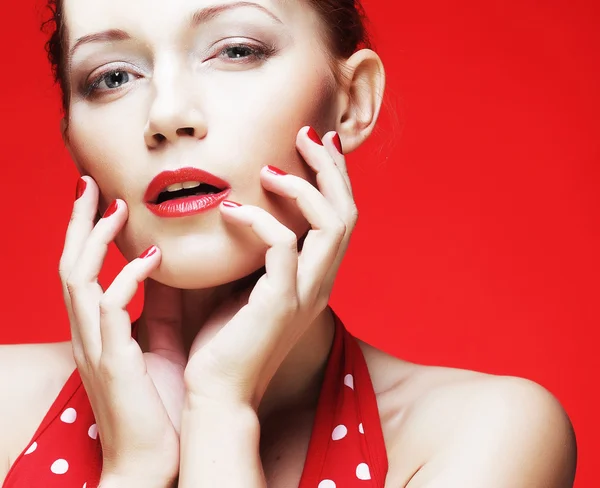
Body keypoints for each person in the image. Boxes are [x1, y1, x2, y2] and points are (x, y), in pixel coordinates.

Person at [0, 0, 577, 486]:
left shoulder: (482, 433)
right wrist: (137, 468)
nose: (168, 114)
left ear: (352, 102)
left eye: (236, 50)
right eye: (112, 77)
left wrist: (221, 412)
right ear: (72, 135)